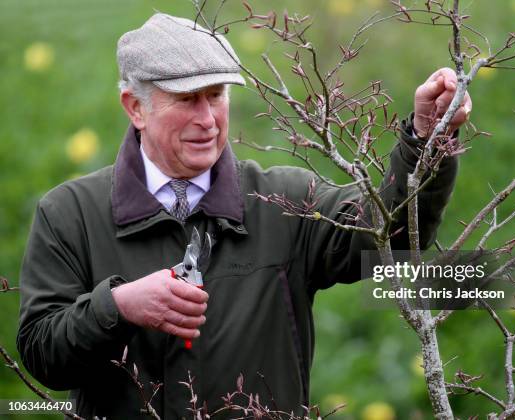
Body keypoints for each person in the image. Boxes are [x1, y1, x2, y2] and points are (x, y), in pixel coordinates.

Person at [17, 13, 471, 419]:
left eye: (216, 96)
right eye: (188, 99)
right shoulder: (69, 213)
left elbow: (388, 231)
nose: (208, 119)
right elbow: (41, 354)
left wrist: (428, 141)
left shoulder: (284, 201)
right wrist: (117, 307)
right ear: (136, 107)